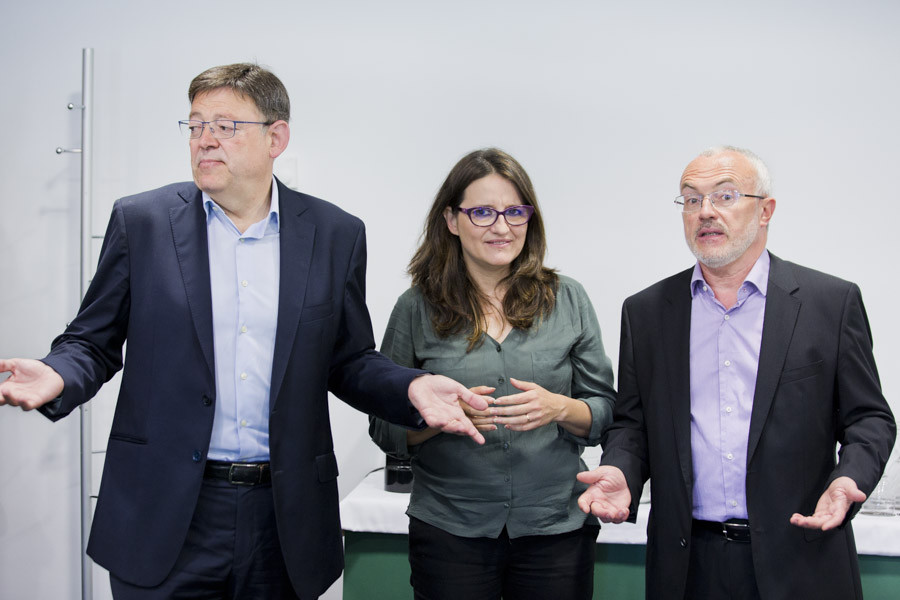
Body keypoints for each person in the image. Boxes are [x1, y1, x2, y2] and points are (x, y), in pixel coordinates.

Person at [0, 63, 491, 600]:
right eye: (195, 126)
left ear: (275, 136)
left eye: (226, 126)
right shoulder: (142, 222)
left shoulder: (334, 234)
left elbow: (348, 360)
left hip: (281, 517)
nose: (205, 140)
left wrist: (410, 386)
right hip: (165, 512)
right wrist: (55, 373)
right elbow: (91, 341)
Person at [577, 146, 896, 600]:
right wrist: (622, 470)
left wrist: (850, 479)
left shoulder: (830, 303)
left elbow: (870, 419)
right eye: (691, 199)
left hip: (802, 557)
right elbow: (634, 424)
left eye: (724, 196)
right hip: (688, 566)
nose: (705, 211)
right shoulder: (647, 312)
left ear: (765, 210)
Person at [369, 148, 616, 600]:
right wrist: (435, 419)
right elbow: (384, 428)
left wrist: (560, 407)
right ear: (451, 220)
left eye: (514, 212)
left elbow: (604, 411)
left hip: (555, 529)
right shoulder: (415, 308)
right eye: (482, 212)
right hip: (450, 530)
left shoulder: (569, 299)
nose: (501, 227)